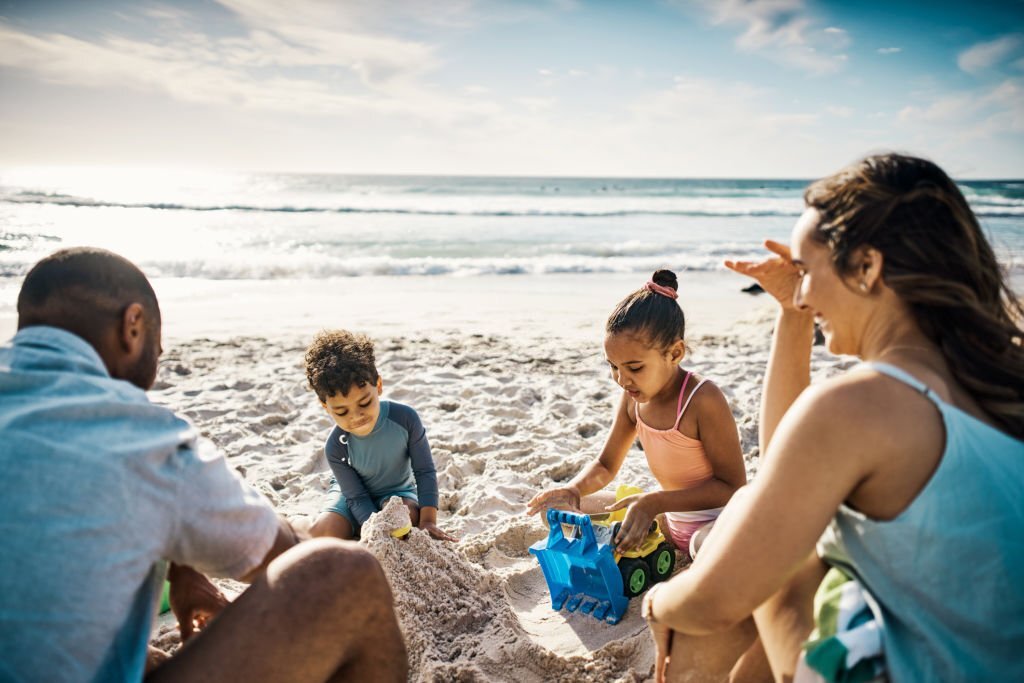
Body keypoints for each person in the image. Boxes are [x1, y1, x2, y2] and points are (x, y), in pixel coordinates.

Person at [642, 153, 1024, 682]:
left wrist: (657, 602)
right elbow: (789, 469)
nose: (800, 291)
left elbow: (717, 599)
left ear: (866, 268)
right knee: (771, 526)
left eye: (804, 272)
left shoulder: (862, 405)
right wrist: (791, 316)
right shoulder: (996, 376)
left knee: (743, 567)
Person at [0, 248, 408, 683]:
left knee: (145, 657)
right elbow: (291, 553)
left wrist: (181, 561)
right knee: (346, 574)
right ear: (132, 325)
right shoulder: (140, 436)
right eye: (155, 353)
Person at [527, 269, 747, 559]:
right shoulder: (632, 399)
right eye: (613, 366)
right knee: (554, 510)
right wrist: (573, 490)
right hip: (666, 522)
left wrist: (654, 501)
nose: (621, 379)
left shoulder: (702, 399)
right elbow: (606, 465)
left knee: (702, 548)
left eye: (634, 367)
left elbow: (732, 487)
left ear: (675, 353)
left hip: (718, 524)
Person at [305, 330, 455, 542]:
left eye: (364, 403)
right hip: (348, 499)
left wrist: (428, 521)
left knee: (404, 519)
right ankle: (300, 522)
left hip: (397, 493)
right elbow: (356, 496)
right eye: (341, 412)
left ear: (379, 386)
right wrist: (372, 528)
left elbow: (424, 471)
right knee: (321, 534)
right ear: (325, 407)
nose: (356, 416)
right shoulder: (336, 447)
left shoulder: (405, 419)